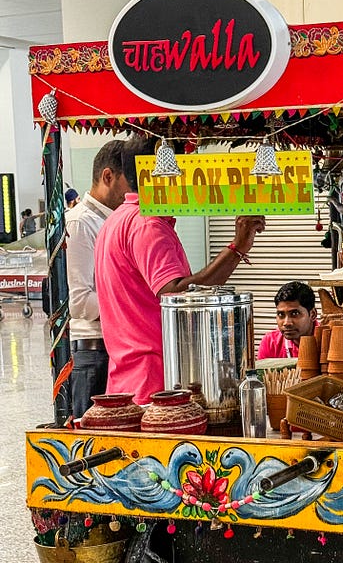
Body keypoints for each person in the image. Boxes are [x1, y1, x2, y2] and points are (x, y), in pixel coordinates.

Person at [95, 136, 265, 404]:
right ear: (164, 169)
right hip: (155, 381)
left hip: (129, 378)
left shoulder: (117, 220)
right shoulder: (147, 225)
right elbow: (173, 293)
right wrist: (237, 247)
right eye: (181, 165)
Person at [65, 140, 130, 419]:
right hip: (93, 353)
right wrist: (129, 305)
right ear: (108, 177)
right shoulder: (81, 222)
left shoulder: (115, 220)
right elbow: (79, 302)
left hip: (116, 347)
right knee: (91, 443)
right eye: (131, 183)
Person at [257, 281, 318, 359]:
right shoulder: (270, 342)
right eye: (281, 315)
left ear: (313, 314)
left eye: (294, 314)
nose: (286, 323)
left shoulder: (330, 340)